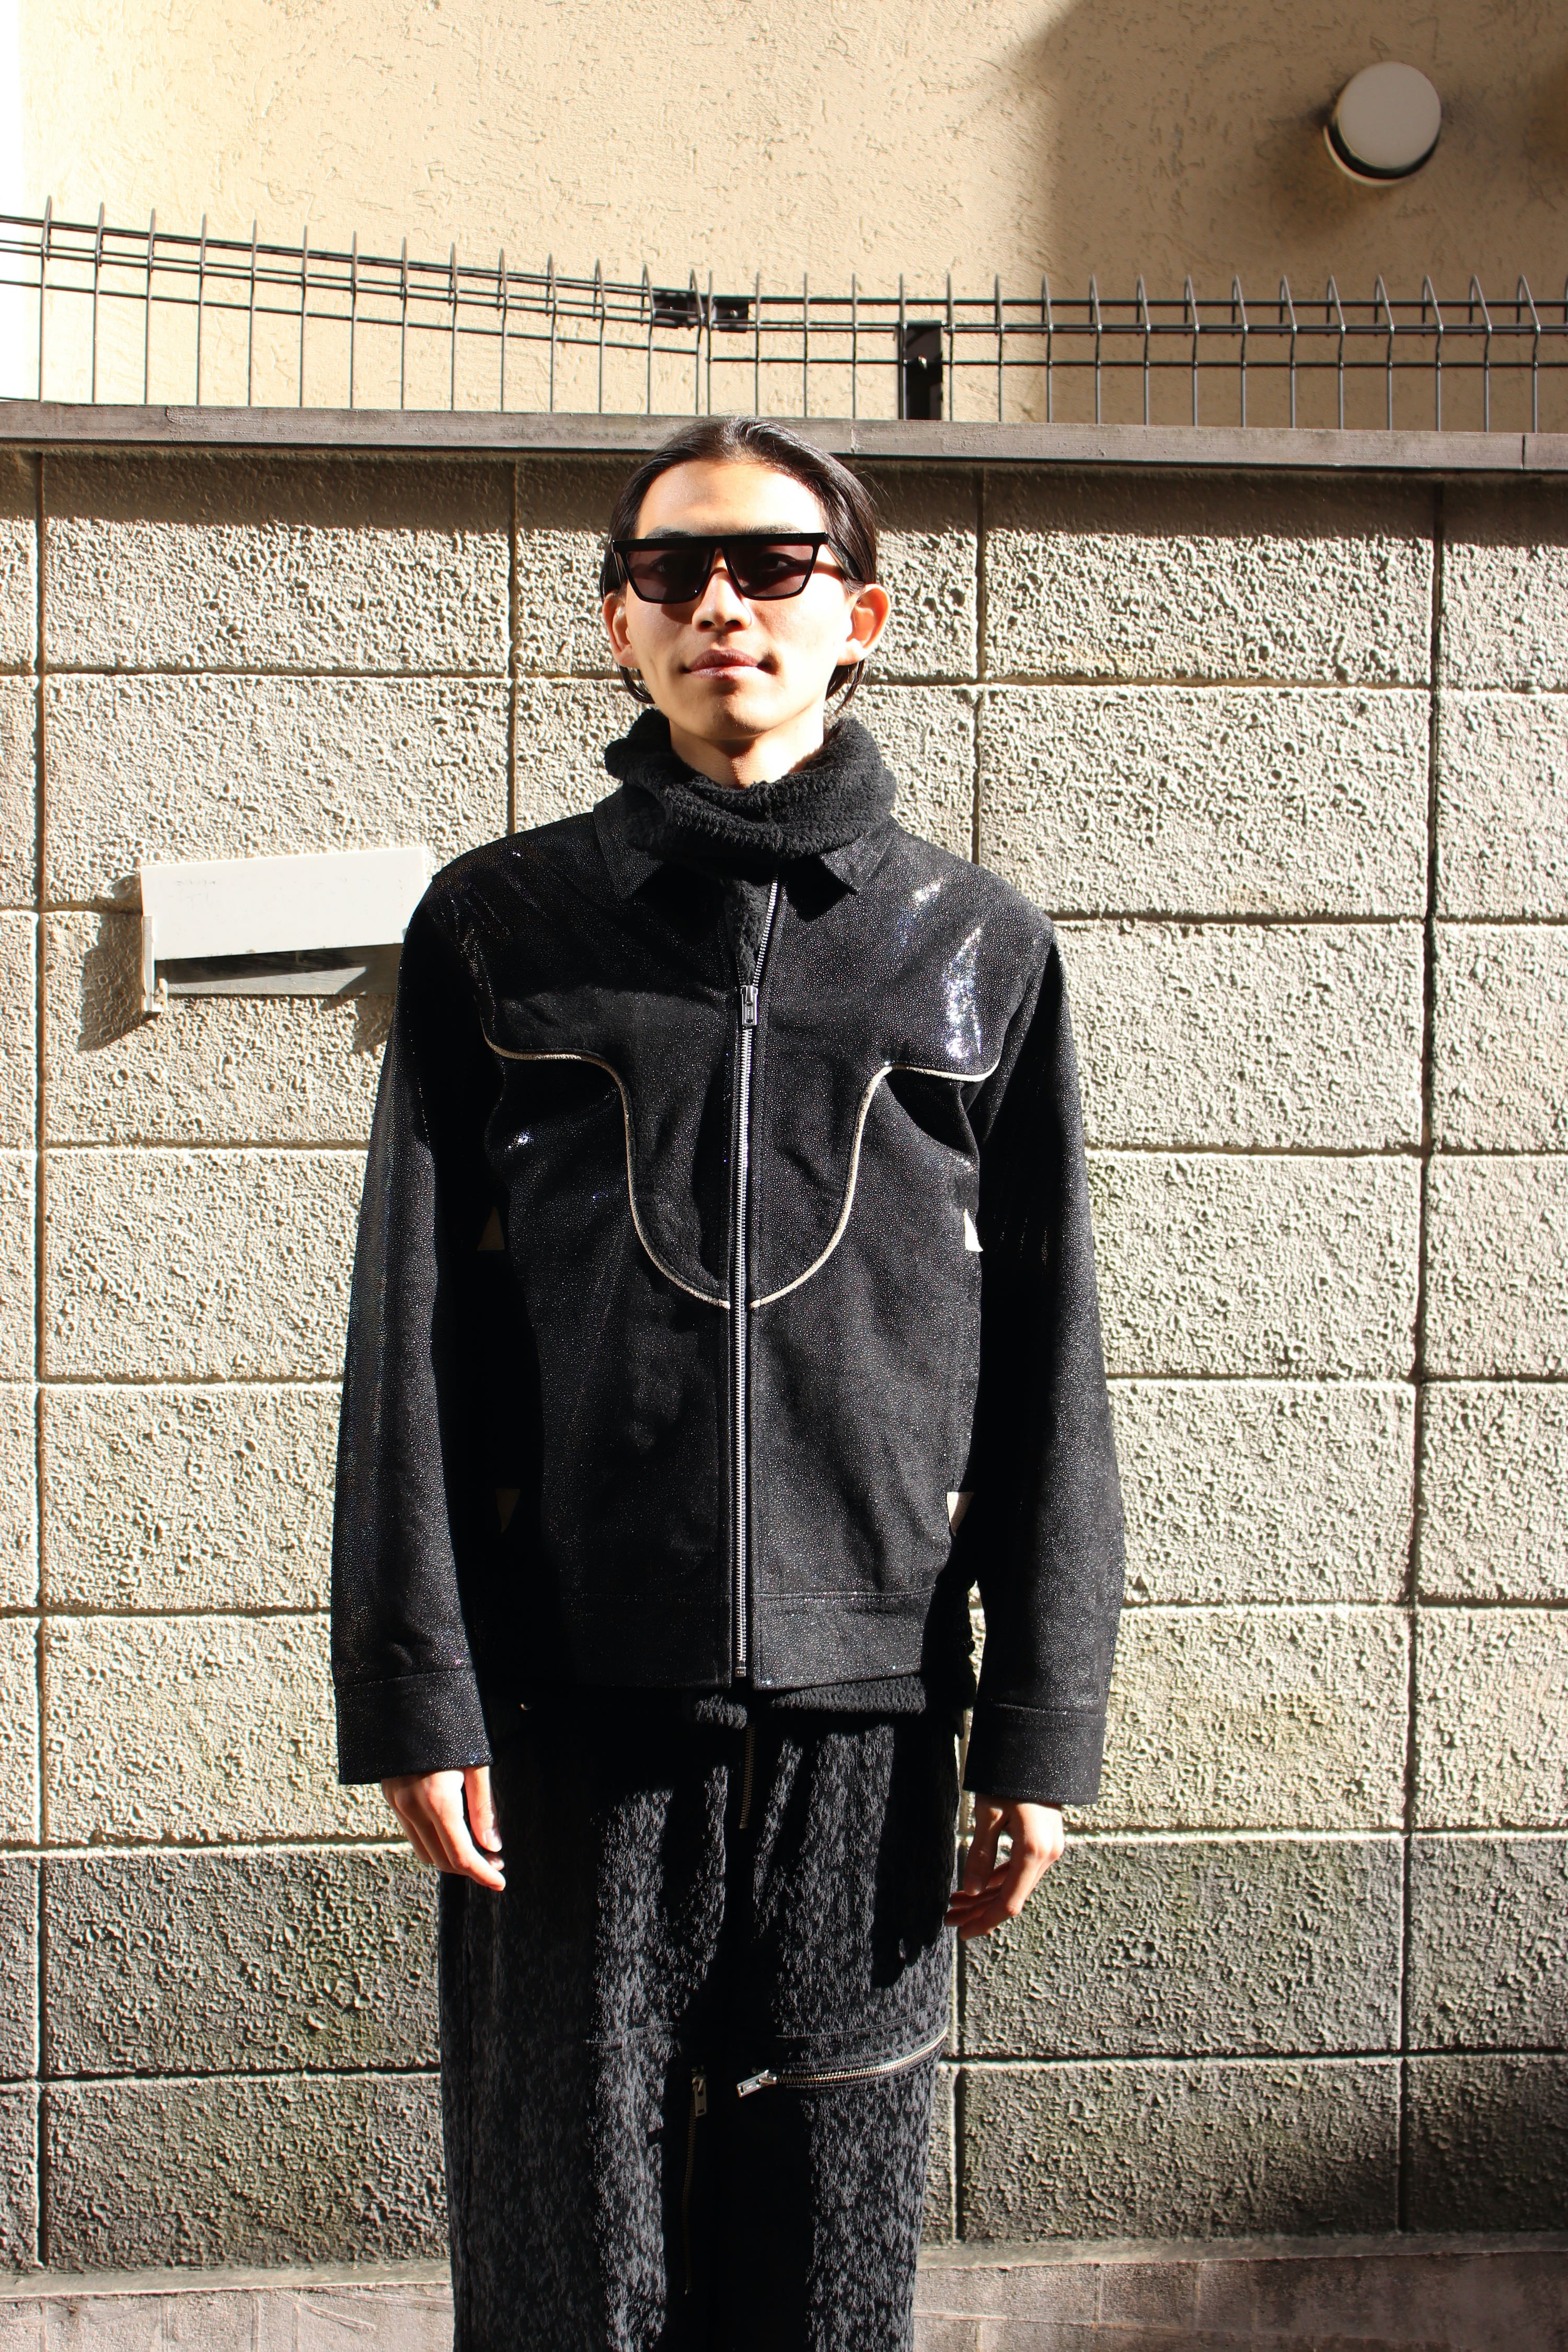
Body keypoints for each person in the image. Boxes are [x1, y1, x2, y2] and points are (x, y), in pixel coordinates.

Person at [330, 414, 1124, 2351]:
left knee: (827, 2275)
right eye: (672, 571)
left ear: (860, 615)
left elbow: (1048, 1357)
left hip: (872, 1719)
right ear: (618, 622)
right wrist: (419, 1685)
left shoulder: (976, 949)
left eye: (771, 566)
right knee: (567, 2268)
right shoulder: (502, 929)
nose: (721, 606)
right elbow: (412, 1334)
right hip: (570, 1715)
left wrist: (1042, 1720)